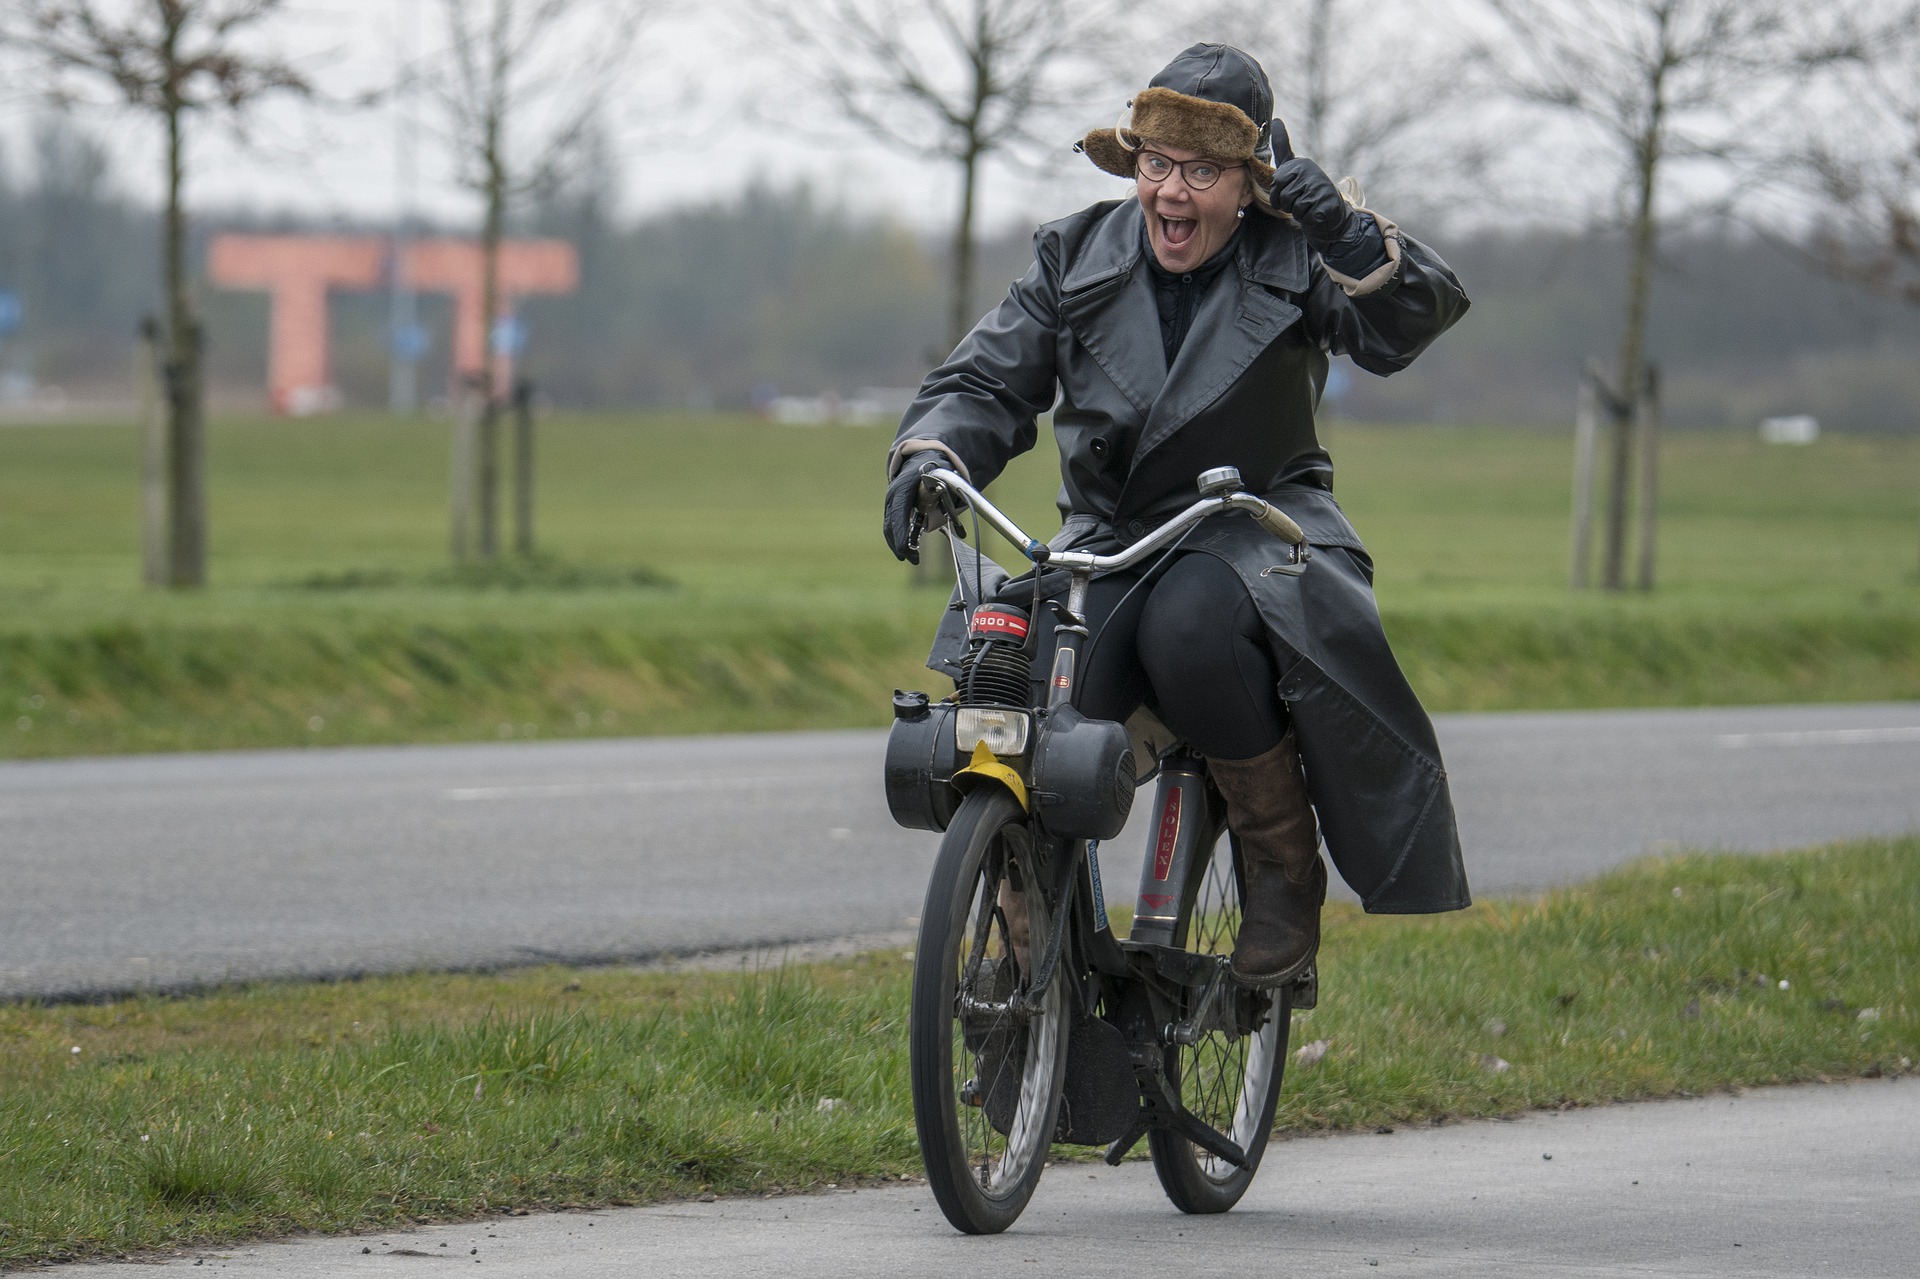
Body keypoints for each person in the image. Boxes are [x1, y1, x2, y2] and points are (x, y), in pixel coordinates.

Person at [883, 43, 1472, 986]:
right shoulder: (1072, 253)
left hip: (1256, 528)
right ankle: (1026, 948)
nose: (1171, 194)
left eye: (1202, 171)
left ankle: (1282, 868)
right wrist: (932, 453)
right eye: (1157, 164)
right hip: (1112, 539)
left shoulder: (1296, 257)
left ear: (1249, 184)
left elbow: (1406, 325)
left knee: (1190, 626)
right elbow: (986, 378)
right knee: (1019, 668)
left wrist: (1348, 233)